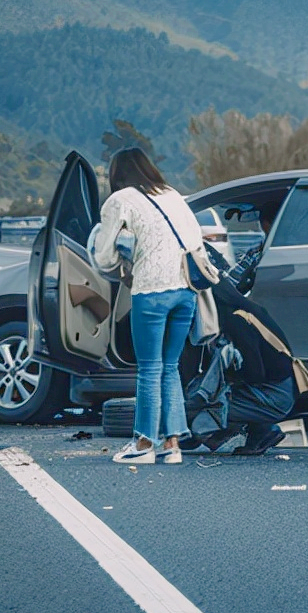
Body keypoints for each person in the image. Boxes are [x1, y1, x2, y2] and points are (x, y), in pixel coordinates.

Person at [92, 147, 204, 465]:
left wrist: (122, 264)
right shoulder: (172, 194)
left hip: (153, 291)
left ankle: (143, 444)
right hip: (187, 292)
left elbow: (102, 256)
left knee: (149, 369)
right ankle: (172, 444)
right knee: (170, 367)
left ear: (117, 174)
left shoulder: (121, 199)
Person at [181, 276, 298, 456]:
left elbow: (255, 374)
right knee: (198, 398)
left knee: (196, 406)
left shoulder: (236, 319)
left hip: (275, 395)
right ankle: (257, 429)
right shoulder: (241, 310)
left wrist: (220, 383)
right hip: (273, 388)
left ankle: (256, 430)